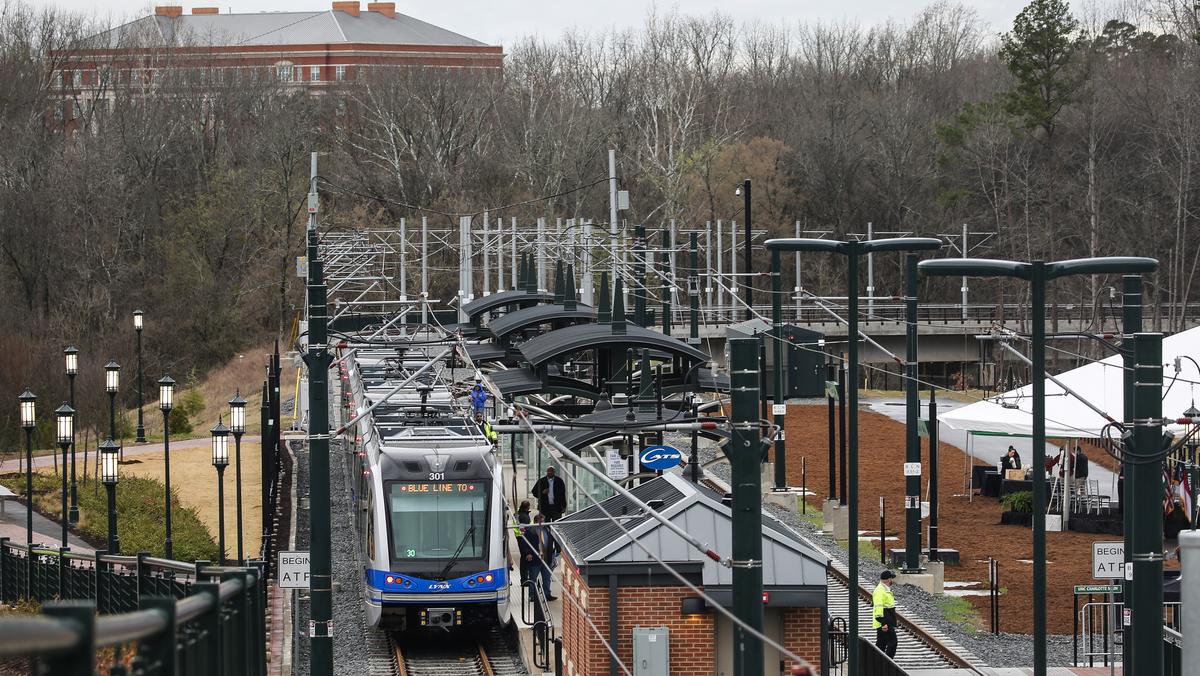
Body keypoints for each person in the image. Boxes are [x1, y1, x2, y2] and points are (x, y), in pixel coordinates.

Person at [529, 513, 558, 600]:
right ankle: (533, 595)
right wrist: (528, 554)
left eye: (543, 521)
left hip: (546, 558)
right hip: (535, 558)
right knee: (533, 578)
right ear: (536, 522)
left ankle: (547, 594)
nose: (543, 523)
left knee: (547, 578)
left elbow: (551, 541)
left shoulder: (547, 530)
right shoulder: (531, 531)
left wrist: (554, 551)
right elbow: (525, 544)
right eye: (540, 521)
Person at [873, 570, 898, 658]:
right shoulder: (880, 591)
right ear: (888, 580)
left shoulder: (884, 590)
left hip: (885, 622)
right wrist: (883, 623)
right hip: (884, 623)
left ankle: (877, 664)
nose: (892, 581)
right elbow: (879, 607)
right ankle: (887, 664)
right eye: (891, 578)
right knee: (893, 642)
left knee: (881, 645)